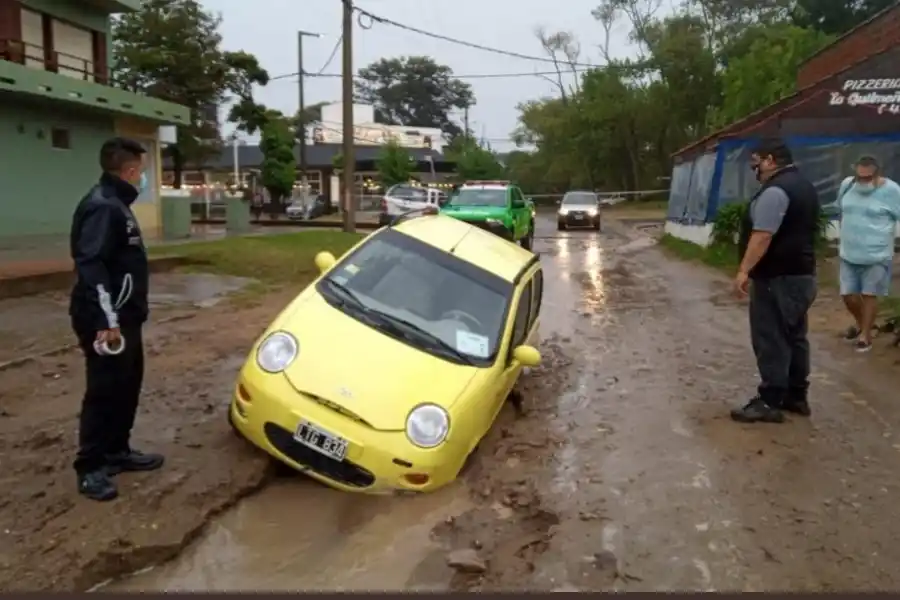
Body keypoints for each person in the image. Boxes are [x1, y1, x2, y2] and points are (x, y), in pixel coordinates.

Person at [69, 137, 164, 501]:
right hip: (105, 320)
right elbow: (91, 265)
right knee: (104, 390)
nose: (143, 178)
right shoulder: (102, 207)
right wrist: (107, 320)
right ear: (129, 171)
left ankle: (116, 451)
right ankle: (91, 466)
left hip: (126, 317)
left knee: (127, 384)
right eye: (141, 170)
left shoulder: (117, 205)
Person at [730, 138, 820, 424]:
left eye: (756, 161)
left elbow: (763, 235)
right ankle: (796, 395)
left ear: (770, 160)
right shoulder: (804, 185)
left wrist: (744, 270)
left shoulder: (776, 191)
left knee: (770, 337)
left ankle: (769, 400)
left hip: (776, 277)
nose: (754, 167)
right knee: (795, 336)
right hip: (801, 274)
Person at [831, 155, 900, 352]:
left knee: (869, 294)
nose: (863, 181)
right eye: (859, 176)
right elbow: (841, 209)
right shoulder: (847, 185)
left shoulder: (891, 190)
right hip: (848, 252)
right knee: (848, 295)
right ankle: (864, 325)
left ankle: (866, 336)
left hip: (877, 255)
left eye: (867, 177)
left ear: (877, 173)